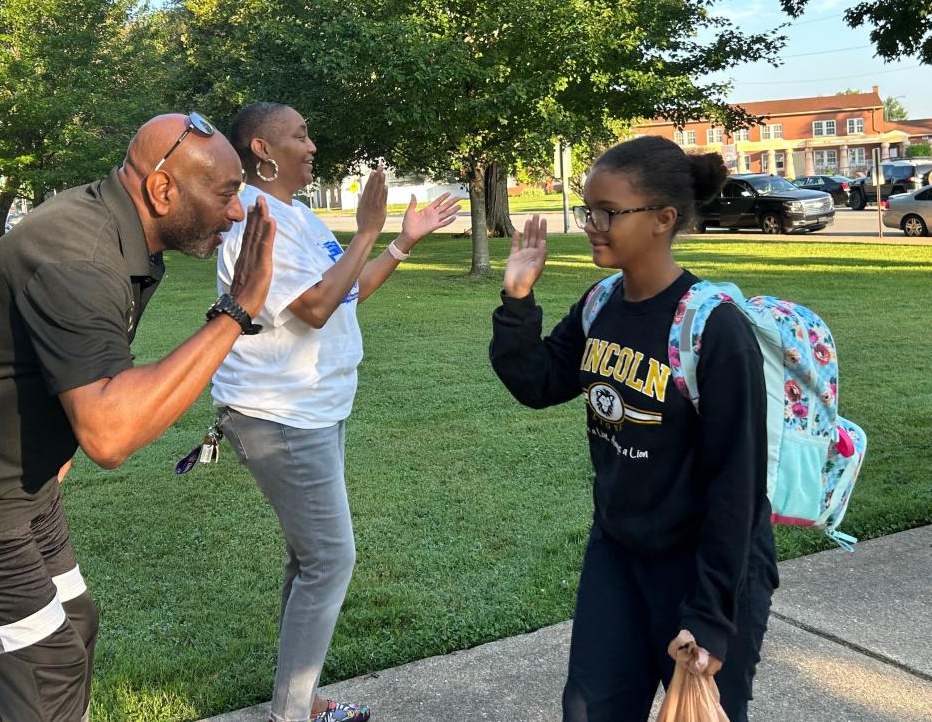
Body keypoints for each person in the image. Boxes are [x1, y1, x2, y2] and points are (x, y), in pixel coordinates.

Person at [0, 113, 276, 722]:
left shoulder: (117, 232)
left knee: (71, 624)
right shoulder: (81, 255)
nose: (235, 214)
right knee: (47, 666)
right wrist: (236, 311)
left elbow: (70, 366)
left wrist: (56, 450)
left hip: (18, 474)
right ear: (162, 190)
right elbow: (111, 433)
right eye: (227, 194)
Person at [489, 135, 778, 722]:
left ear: (663, 219)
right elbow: (540, 383)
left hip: (704, 568)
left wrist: (709, 616)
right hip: (618, 555)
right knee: (590, 710)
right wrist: (517, 298)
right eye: (588, 209)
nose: (591, 224)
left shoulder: (712, 329)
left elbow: (737, 484)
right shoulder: (601, 304)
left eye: (608, 213)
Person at [209, 102, 460, 722]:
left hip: (315, 406)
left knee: (311, 558)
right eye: (300, 135)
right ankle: (294, 713)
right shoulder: (255, 218)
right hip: (279, 413)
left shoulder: (298, 215)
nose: (313, 144)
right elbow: (313, 308)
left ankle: (299, 701)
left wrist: (402, 239)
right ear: (263, 149)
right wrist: (368, 229)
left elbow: (346, 292)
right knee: (331, 559)